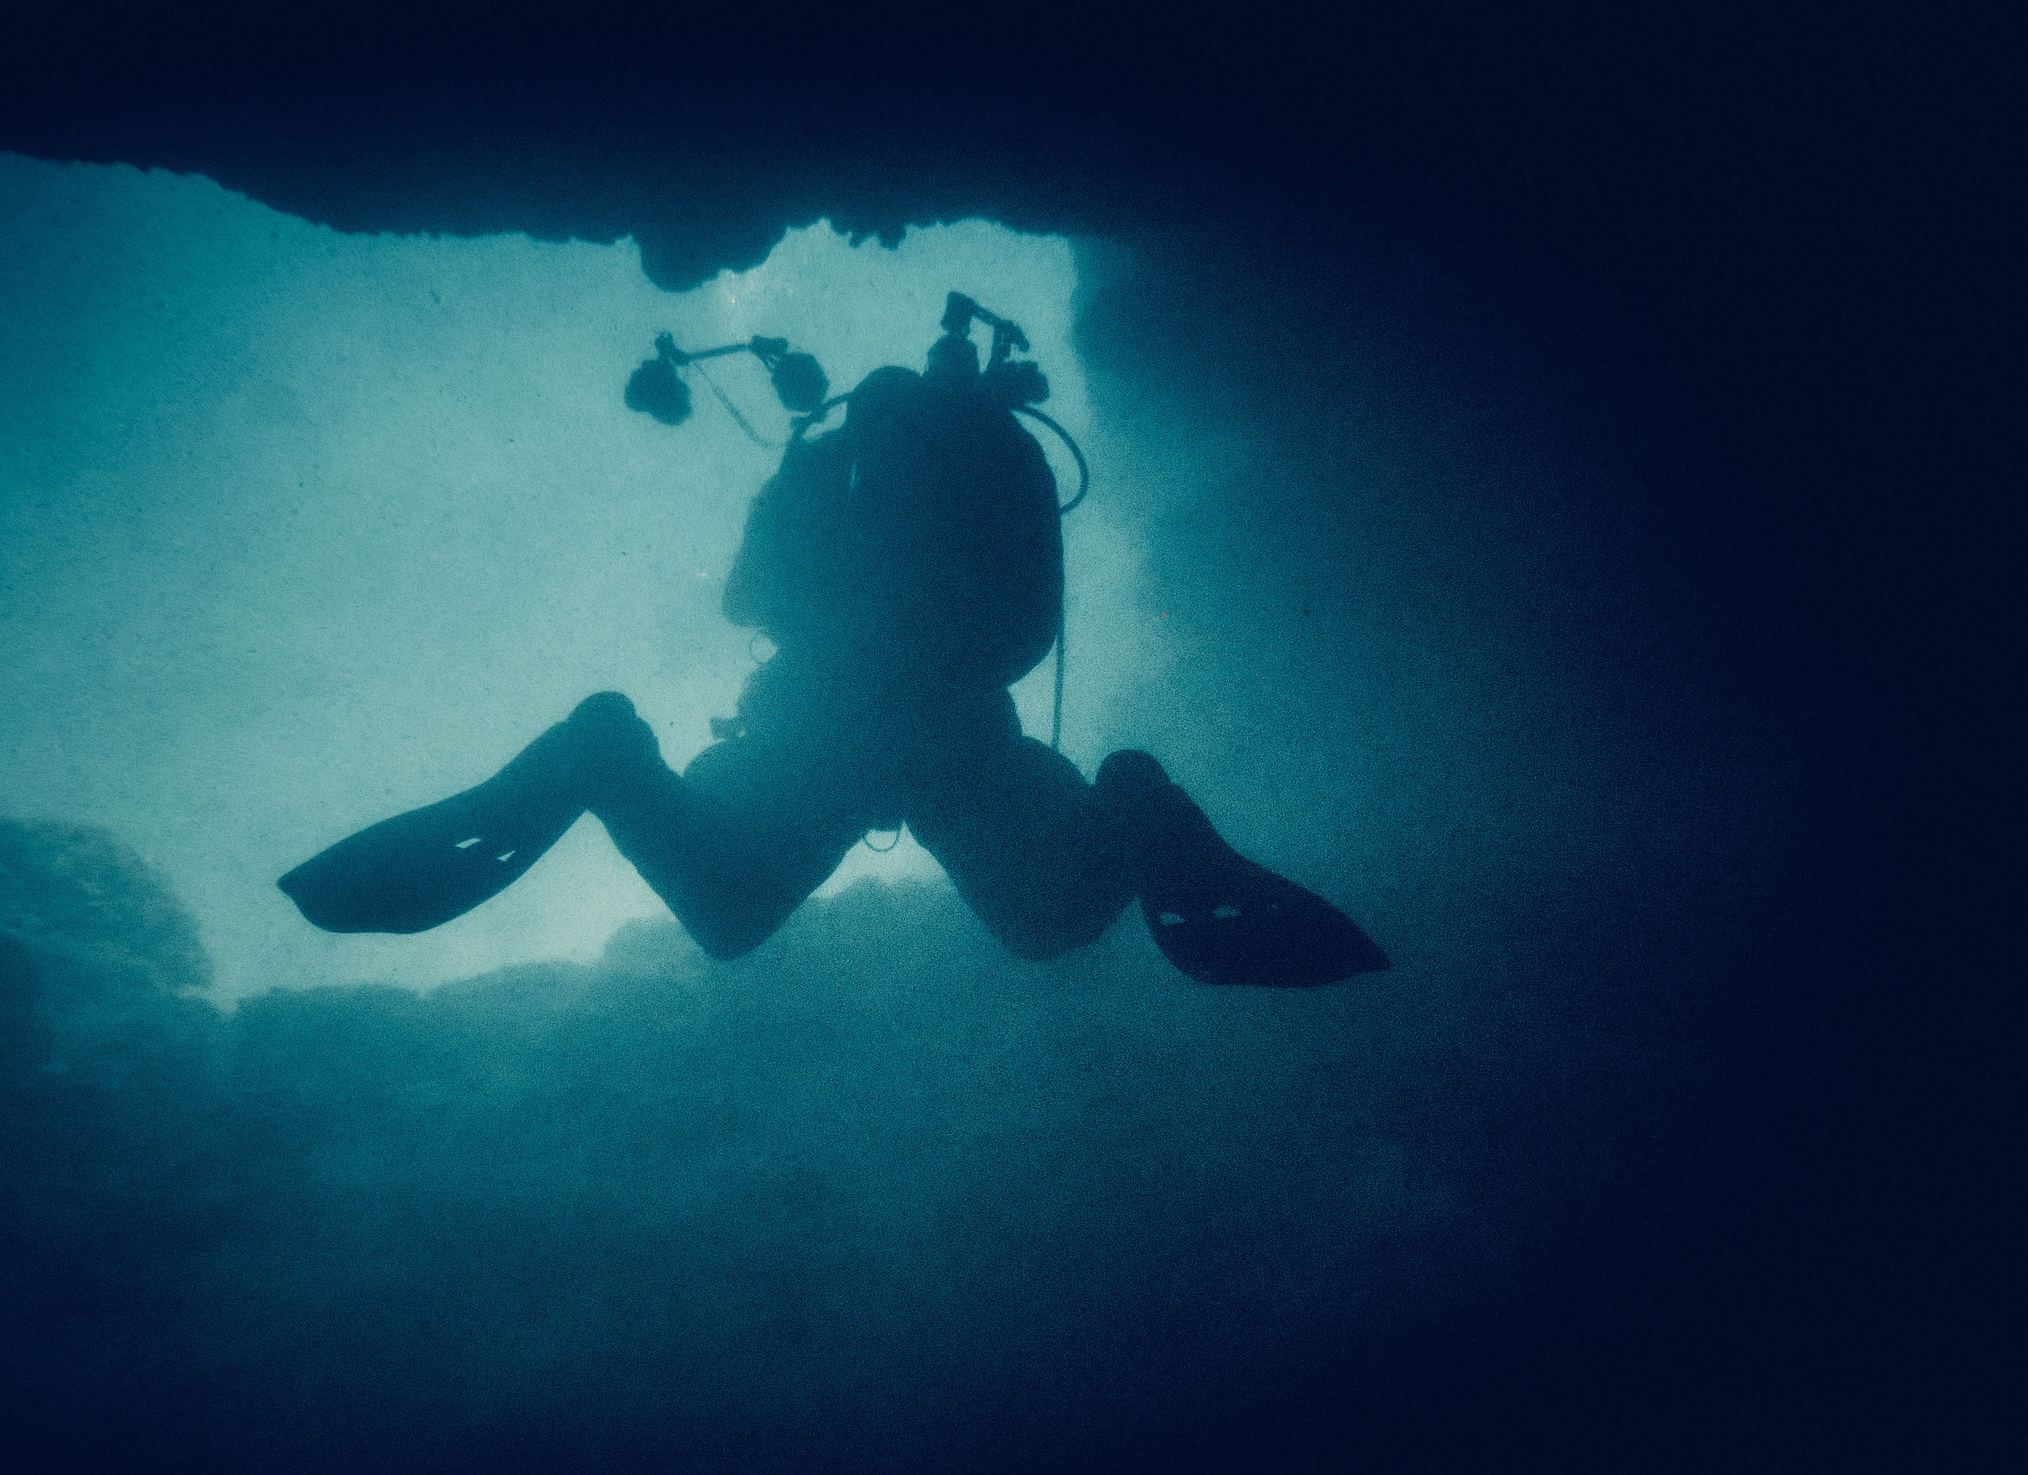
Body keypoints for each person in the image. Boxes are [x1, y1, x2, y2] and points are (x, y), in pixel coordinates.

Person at [279, 303, 1387, 988]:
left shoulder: (825, 465)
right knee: (1046, 923)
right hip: (962, 734)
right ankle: (1135, 801)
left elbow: (744, 599)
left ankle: (599, 756)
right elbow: (1030, 620)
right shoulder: (1006, 459)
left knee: (729, 911)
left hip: (815, 729)